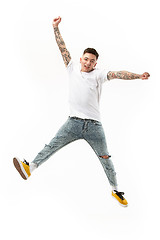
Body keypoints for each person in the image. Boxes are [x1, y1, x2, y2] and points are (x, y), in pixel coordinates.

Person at [13, 16, 150, 207]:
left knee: (106, 158)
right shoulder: (71, 67)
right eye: (86, 59)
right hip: (73, 123)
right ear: (81, 59)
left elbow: (118, 74)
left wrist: (138, 76)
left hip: (94, 126)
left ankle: (115, 190)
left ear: (95, 63)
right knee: (52, 145)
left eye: (92, 61)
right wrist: (55, 28)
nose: (88, 63)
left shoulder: (99, 74)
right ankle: (30, 168)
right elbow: (62, 48)